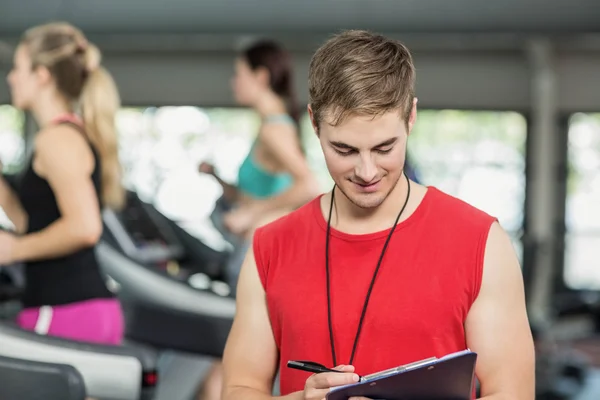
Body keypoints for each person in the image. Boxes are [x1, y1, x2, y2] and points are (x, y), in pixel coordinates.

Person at [221, 30, 535, 400]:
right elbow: (239, 389)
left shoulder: (481, 243)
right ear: (314, 123)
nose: (367, 172)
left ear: (411, 117)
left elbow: (512, 393)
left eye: (385, 147)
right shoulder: (269, 248)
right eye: (344, 149)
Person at [0, 22, 125, 345]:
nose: (11, 77)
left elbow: (85, 228)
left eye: (18, 68)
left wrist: (14, 249)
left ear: (42, 75)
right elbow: (35, 224)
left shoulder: (57, 139)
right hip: (73, 307)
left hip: (65, 308)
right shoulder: (61, 136)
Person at [199, 40, 320, 292]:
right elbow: (253, 195)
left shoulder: (274, 129)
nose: (234, 82)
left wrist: (253, 214)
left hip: (261, 251)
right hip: (249, 248)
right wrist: (216, 178)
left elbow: (309, 186)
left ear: (261, 76)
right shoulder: (271, 126)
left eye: (239, 74)